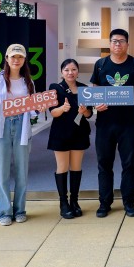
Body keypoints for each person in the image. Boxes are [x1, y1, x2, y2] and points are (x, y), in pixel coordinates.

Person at [90, 28, 134, 217]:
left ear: (127, 44)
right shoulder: (100, 65)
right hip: (104, 124)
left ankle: (128, 202)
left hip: (128, 125)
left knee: (129, 164)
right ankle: (104, 203)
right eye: (114, 41)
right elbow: (95, 92)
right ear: (110, 44)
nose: (118, 44)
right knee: (104, 164)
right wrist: (97, 105)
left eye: (121, 41)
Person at [0, 43, 36, 226]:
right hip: (1, 128)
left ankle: (20, 210)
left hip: (21, 127)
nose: (16, 60)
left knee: (21, 172)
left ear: (24, 59)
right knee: (1, 173)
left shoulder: (29, 81)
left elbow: (32, 109)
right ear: (7, 58)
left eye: (20, 57)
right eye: (13, 56)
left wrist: (37, 108)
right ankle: (4, 213)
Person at [48, 59, 93, 219]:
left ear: (78, 72)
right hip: (61, 133)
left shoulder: (84, 89)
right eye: (67, 70)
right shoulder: (55, 88)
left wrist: (84, 111)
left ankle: (74, 201)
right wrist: (62, 108)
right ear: (62, 72)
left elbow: (89, 114)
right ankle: (63, 203)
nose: (70, 73)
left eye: (73, 69)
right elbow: (53, 113)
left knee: (76, 167)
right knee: (62, 167)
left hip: (79, 132)